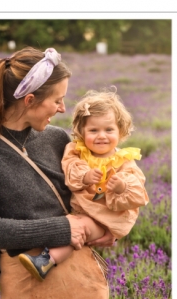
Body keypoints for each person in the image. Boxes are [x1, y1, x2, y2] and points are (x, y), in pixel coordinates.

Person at [0, 47, 115, 299]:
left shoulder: (55, 138)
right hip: (30, 286)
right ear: (29, 100)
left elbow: (85, 194)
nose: (63, 108)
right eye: (57, 100)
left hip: (85, 283)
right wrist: (64, 228)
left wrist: (109, 223)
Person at [19, 88, 149, 280]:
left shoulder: (123, 161)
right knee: (72, 225)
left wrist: (121, 187)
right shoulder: (77, 152)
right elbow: (70, 172)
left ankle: (46, 261)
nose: (101, 136)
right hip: (80, 210)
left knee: (79, 228)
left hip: (103, 218)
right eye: (93, 130)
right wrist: (86, 177)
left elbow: (138, 193)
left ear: (120, 130)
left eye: (109, 130)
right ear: (81, 131)